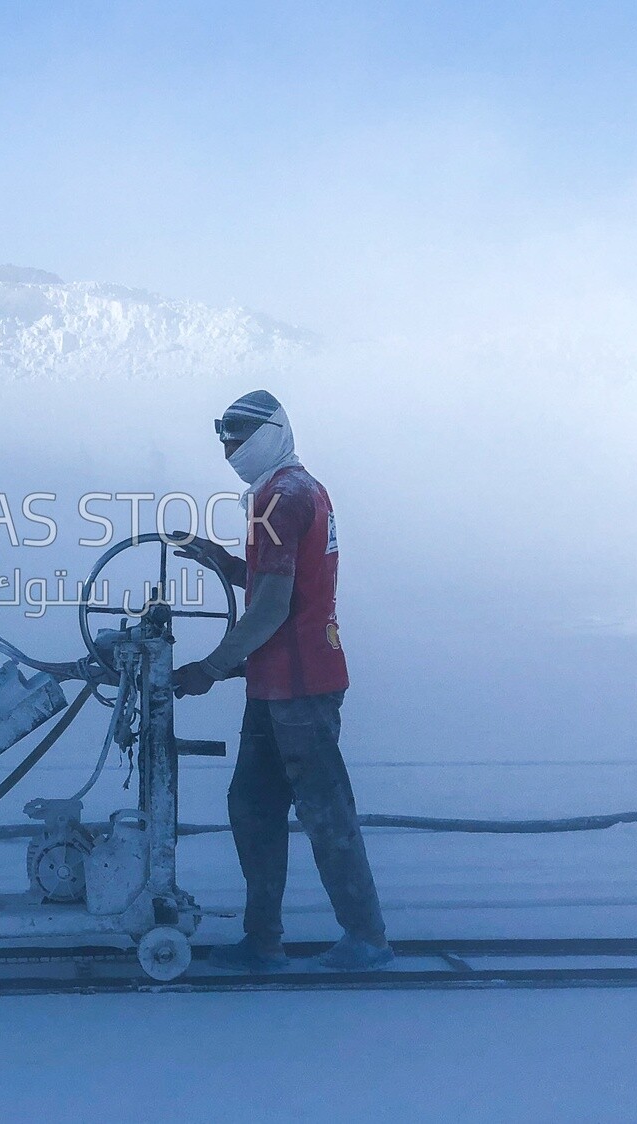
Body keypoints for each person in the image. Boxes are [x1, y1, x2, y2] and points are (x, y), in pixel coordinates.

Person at [171, 390, 393, 972]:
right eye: (224, 442)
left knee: (324, 813)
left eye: (237, 441)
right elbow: (274, 583)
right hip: (278, 682)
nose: (229, 453)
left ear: (268, 435)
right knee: (252, 806)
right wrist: (215, 557)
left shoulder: (283, 497)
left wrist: (210, 667)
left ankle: (366, 938)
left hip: (300, 684)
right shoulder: (288, 492)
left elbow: (271, 608)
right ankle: (262, 940)